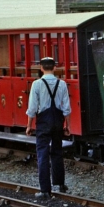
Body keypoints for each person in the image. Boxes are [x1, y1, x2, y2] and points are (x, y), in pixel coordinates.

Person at [26, 57, 71, 199]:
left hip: (43, 122)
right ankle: (60, 184)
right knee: (57, 151)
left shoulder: (37, 84)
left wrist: (29, 125)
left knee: (42, 153)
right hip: (58, 120)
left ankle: (45, 190)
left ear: (41, 68)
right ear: (55, 68)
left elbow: (32, 107)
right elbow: (67, 108)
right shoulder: (62, 84)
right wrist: (67, 125)